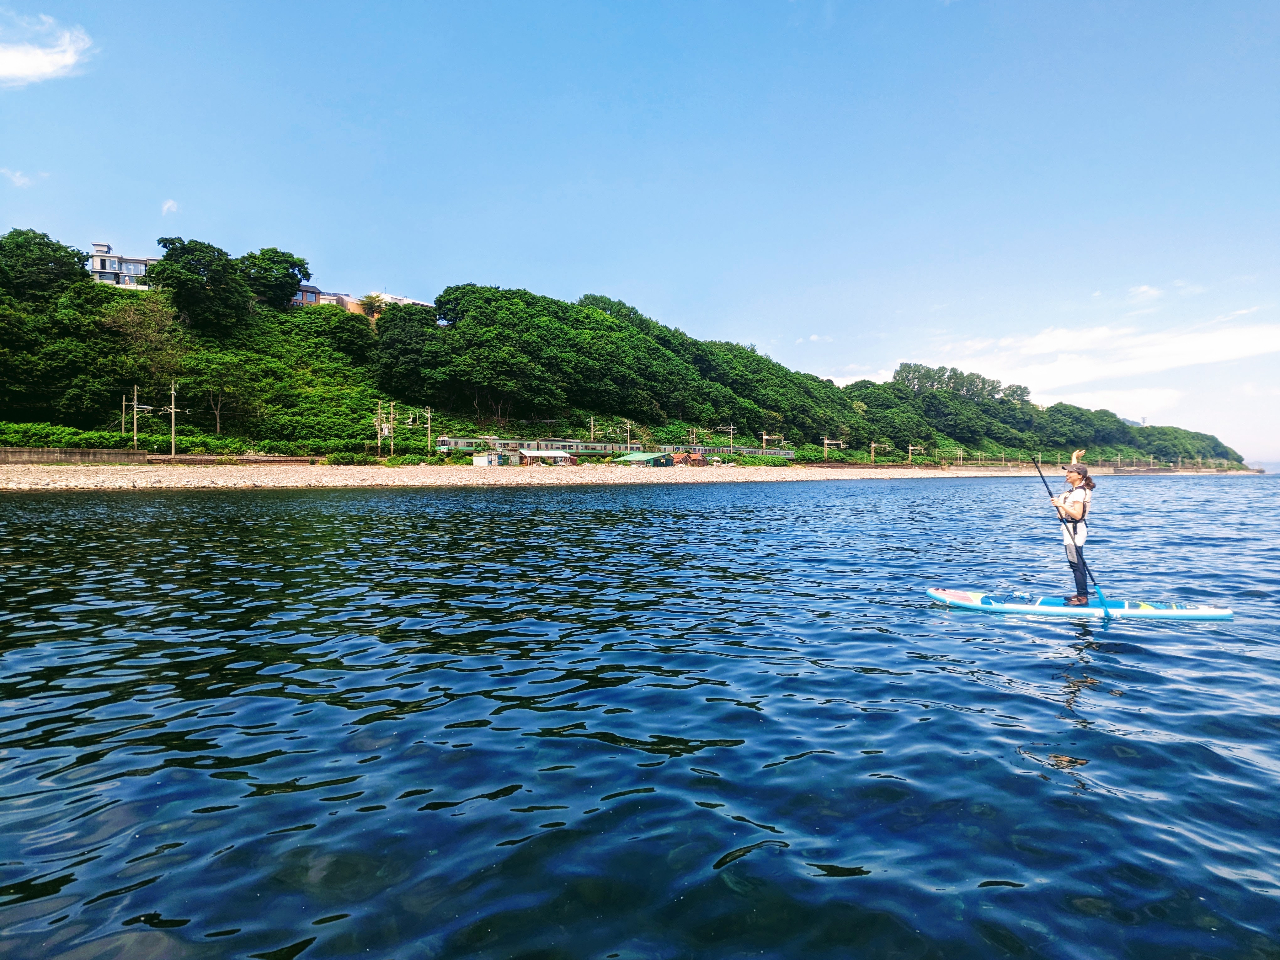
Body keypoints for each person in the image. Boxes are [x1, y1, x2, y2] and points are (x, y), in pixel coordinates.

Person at [1050, 450, 1096, 606]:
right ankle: (1081, 592)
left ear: (1079, 476)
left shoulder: (1078, 493)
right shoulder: (1078, 488)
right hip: (1072, 530)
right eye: (1067, 471)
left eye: (1071, 472)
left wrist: (1061, 504)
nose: (1067, 474)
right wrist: (1074, 458)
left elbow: (1077, 515)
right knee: (1076, 563)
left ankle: (1082, 597)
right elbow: (1078, 471)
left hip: (1074, 531)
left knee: (1076, 564)